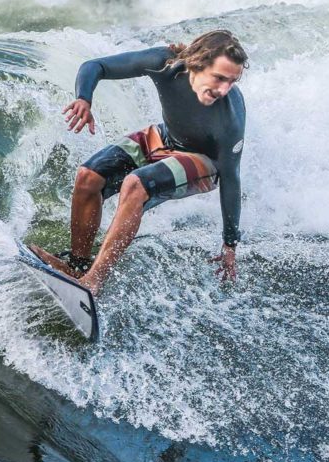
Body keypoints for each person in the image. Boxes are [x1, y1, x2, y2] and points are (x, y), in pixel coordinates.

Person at [28, 29, 248, 296]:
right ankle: (77, 266)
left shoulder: (230, 118)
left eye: (232, 82)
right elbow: (94, 66)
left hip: (206, 162)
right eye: (220, 78)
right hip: (165, 137)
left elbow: (231, 177)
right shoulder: (164, 63)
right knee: (88, 176)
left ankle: (93, 281)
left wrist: (230, 244)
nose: (224, 90)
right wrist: (84, 98)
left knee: (136, 184)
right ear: (198, 62)